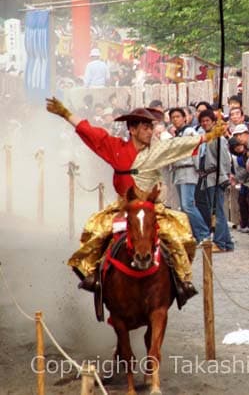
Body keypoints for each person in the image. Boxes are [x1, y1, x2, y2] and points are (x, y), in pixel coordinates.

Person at [46, 97, 225, 305]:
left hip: (152, 209)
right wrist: (66, 114)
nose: (151, 131)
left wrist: (210, 136)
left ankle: (182, 282)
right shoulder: (115, 148)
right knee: (97, 233)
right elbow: (92, 133)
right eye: (146, 127)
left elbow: (179, 145)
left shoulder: (157, 150)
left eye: (151, 127)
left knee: (179, 237)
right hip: (124, 208)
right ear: (132, 129)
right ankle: (94, 276)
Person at [195, 109, 235, 252]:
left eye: (207, 120)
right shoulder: (207, 137)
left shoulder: (218, 138)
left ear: (213, 121)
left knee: (217, 211)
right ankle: (227, 242)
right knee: (217, 209)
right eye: (203, 121)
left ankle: (219, 242)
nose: (205, 123)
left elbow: (224, 159)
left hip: (216, 177)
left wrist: (224, 176)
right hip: (208, 178)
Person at [168, 108, 210, 244]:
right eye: (173, 117)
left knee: (188, 205)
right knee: (184, 206)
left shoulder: (189, 132)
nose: (175, 119)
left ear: (184, 118)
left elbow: (197, 150)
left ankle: (204, 233)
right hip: (178, 171)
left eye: (178, 116)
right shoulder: (177, 135)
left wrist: (198, 168)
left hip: (188, 169)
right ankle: (196, 235)